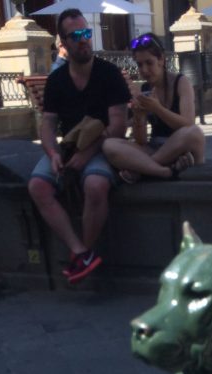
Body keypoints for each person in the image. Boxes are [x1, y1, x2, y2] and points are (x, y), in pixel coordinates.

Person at [28, 8, 130, 284]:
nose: (83, 40)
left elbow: (119, 126)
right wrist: (52, 154)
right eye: (75, 36)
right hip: (70, 146)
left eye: (86, 33)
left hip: (103, 144)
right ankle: (81, 252)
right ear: (64, 43)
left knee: (95, 185)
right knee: (38, 186)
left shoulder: (109, 74)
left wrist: (87, 154)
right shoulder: (57, 81)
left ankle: (82, 255)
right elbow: (48, 125)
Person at [102, 32, 205, 184]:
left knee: (194, 133)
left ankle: (142, 168)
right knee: (109, 145)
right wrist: (139, 115)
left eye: (149, 63)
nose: (144, 70)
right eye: (139, 64)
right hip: (157, 147)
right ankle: (164, 171)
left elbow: (188, 124)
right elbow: (141, 140)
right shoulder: (145, 88)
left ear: (161, 59)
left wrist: (158, 109)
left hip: (181, 146)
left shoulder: (181, 82)